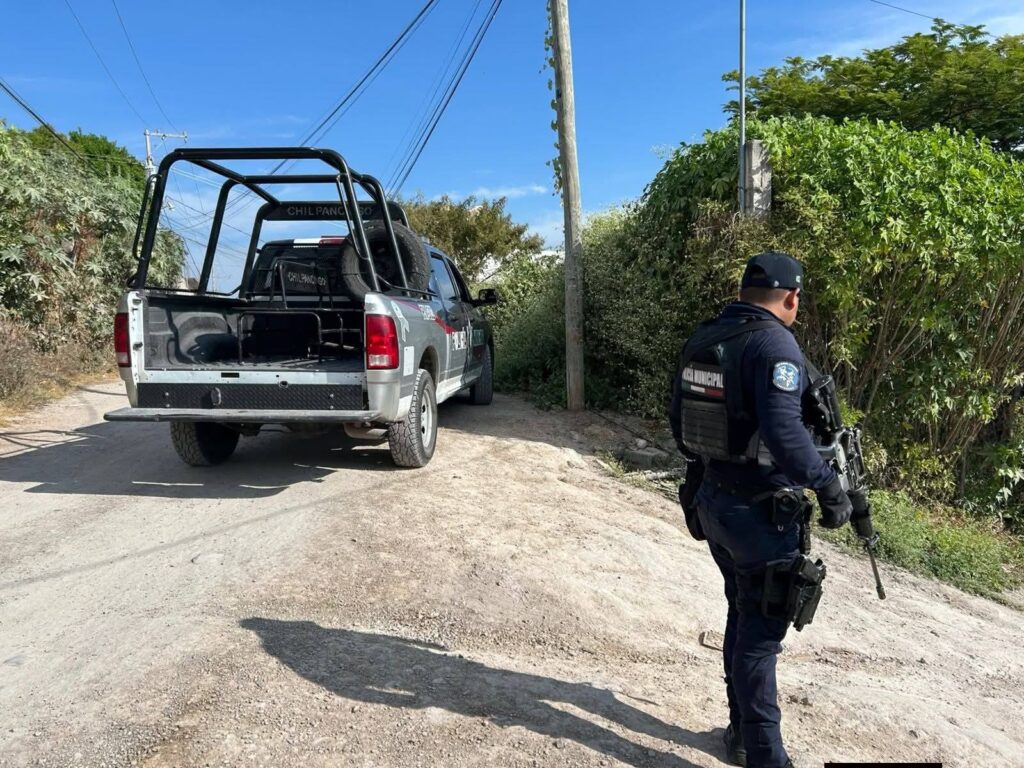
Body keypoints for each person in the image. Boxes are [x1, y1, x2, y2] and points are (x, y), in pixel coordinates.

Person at [668, 251, 853, 768]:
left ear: (743, 292)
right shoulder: (775, 344)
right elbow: (785, 432)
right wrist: (829, 488)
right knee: (760, 638)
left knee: (743, 611)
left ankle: (742, 734)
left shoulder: (705, 337)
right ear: (791, 297)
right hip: (760, 516)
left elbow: (678, 419)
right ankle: (766, 757)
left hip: (713, 502)